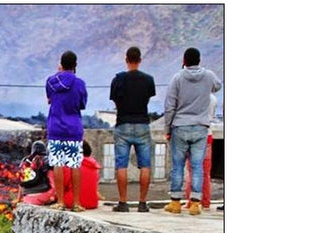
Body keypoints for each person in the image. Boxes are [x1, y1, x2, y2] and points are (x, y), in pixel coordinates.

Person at [164, 47, 222, 215]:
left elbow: (169, 106)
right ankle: (195, 203)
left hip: (180, 126)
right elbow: (217, 86)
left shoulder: (177, 78)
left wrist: (168, 128)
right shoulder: (209, 76)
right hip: (201, 127)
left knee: (178, 166)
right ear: (199, 60)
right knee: (197, 166)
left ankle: (175, 202)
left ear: (184, 61)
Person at [109, 46, 156, 213]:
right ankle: (142, 203)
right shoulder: (148, 80)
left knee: (121, 165)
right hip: (143, 124)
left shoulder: (118, 80)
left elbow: (115, 101)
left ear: (126, 60)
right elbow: (148, 98)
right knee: (145, 165)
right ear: (140, 60)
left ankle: (123, 202)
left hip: (123, 124)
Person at [45, 50, 88, 212]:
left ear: (61, 64)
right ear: (75, 65)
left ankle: (61, 201)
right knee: (74, 164)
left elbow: (49, 100)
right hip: (73, 128)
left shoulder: (51, 82)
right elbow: (82, 104)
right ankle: (76, 203)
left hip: (55, 127)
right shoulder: (80, 83)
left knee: (57, 164)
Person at [184, 94, 217, 209]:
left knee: (192, 170)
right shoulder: (213, 98)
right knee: (206, 172)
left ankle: (191, 201)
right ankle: (206, 201)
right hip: (207, 134)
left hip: (193, 135)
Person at [61, 140, 101, 209]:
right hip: (92, 203)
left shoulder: (69, 166)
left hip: (71, 202)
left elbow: (62, 186)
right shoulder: (94, 167)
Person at [19, 141, 56, 206]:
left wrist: (19, 199)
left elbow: (21, 183)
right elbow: (53, 184)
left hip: (27, 198)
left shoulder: (25, 162)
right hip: (43, 196)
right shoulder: (47, 161)